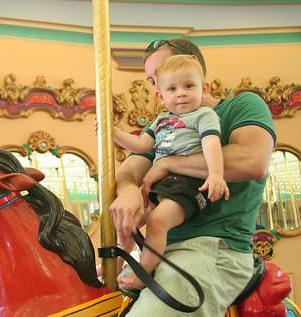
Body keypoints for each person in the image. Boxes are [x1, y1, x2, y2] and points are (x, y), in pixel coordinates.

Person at [110, 38, 276, 316]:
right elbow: (129, 170)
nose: (159, 85)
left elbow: (252, 161)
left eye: (164, 70)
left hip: (215, 248)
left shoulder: (239, 107)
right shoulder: (165, 124)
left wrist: (168, 163)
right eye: (153, 81)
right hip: (160, 249)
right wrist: (127, 190)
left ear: (193, 66)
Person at [113, 54, 230, 290]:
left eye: (189, 86)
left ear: (203, 88)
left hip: (189, 183)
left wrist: (216, 174)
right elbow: (140, 146)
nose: (181, 93)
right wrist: (112, 132)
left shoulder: (204, 115)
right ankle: (115, 264)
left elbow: (211, 144)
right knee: (128, 220)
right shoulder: (160, 122)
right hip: (163, 183)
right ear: (161, 96)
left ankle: (142, 274)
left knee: (157, 221)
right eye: (173, 88)